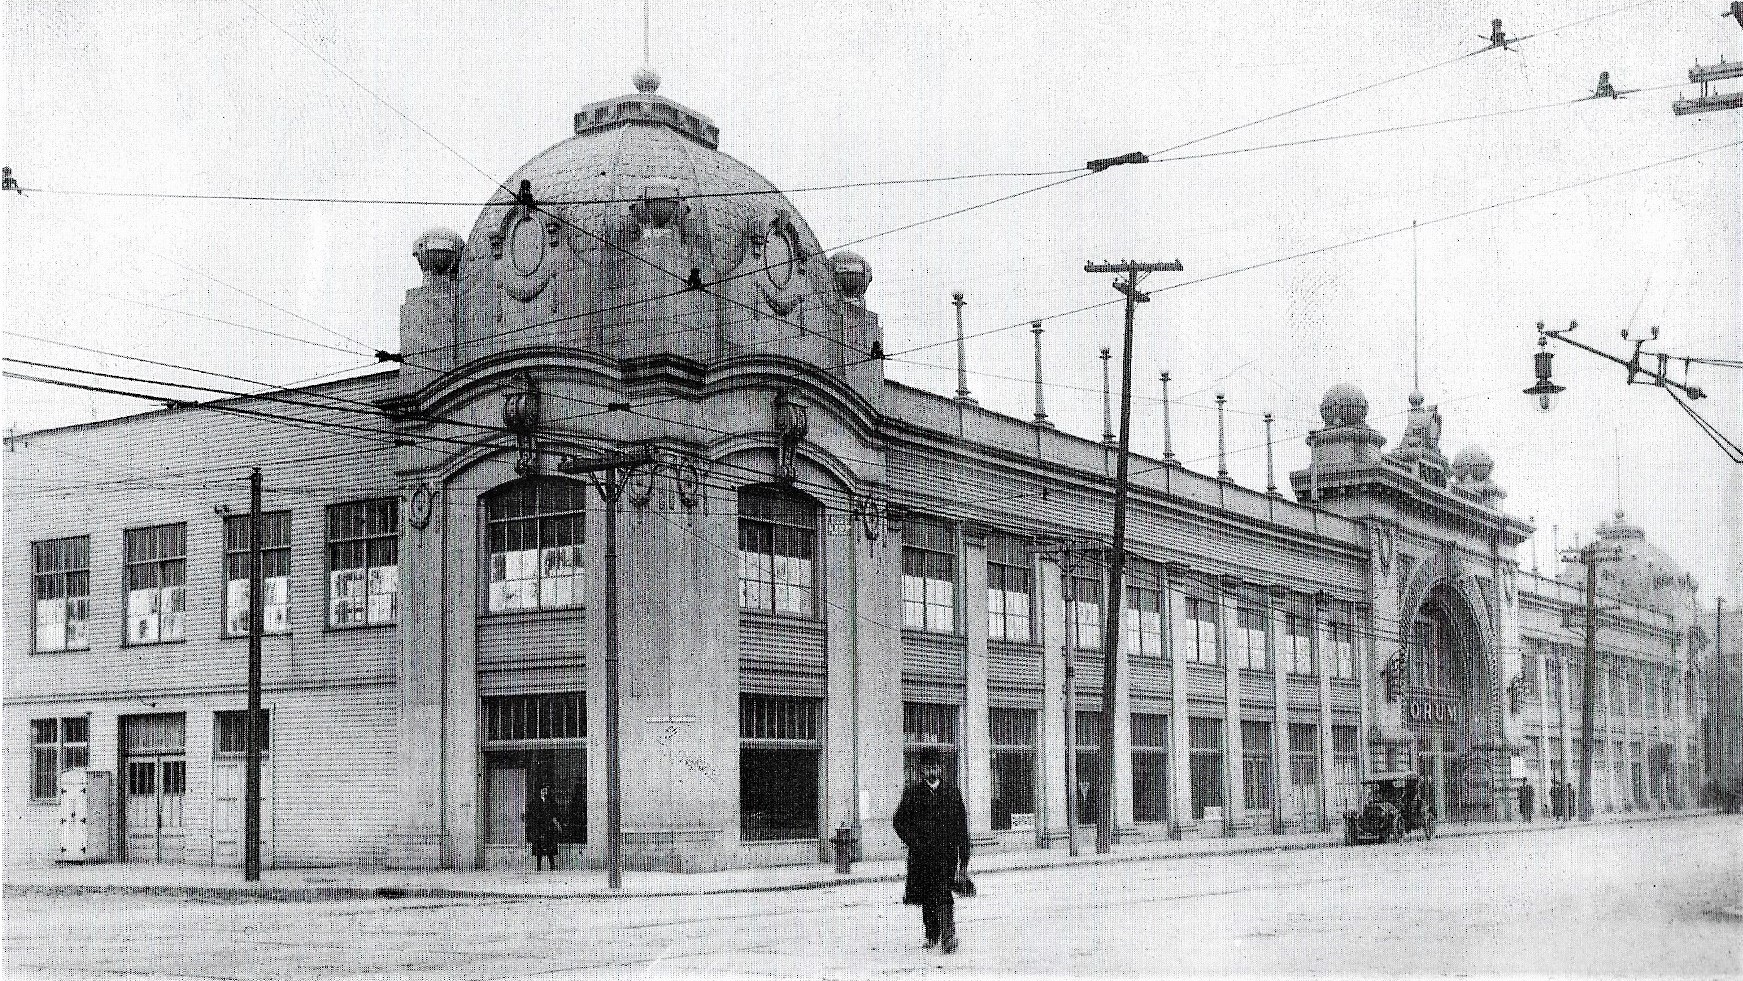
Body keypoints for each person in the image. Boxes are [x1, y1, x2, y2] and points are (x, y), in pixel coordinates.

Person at [893, 749, 970, 954]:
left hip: (946, 856)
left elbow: (962, 828)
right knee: (927, 898)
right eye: (927, 768)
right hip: (922, 857)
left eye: (935, 767)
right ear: (922, 770)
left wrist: (964, 862)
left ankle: (948, 937)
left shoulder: (952, 793)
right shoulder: (912, 793)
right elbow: (898, 821)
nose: (931, 771)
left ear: (941, 768)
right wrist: (914, 842)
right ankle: (932, 934)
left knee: (944, 895)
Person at [526, 783, 563, 871]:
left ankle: (552, 866)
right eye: (542, 790)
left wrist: (556, 824)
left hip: (548, 827)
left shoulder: (551, 802)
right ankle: (538, 867)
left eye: (545, 791)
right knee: (539, 848)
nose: (544, 792)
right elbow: (532, 814)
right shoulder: (535, 802)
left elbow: (554, 814)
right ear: (539, 791)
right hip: (539, 827)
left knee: (550, 847)